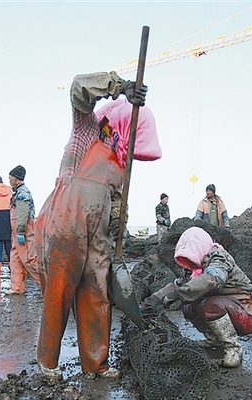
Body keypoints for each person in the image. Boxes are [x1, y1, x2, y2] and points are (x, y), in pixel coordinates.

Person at [35, 71, 161, 379]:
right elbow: (79, 86)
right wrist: (121, 87)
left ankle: (96, 363)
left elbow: (116, 206)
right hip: (67, 219)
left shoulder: (121, 163)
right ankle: (47, 362)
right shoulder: (87, 129)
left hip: (99, 232)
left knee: (97, 292)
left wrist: (119, 229)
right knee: (60, 288)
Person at [147, 227, 252, 368]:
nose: (189, 261)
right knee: (188, 306)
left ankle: (233, 348)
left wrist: (178, 294)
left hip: (247, 312)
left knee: (209, 305)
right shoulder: (196, 267)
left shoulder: (219, 258)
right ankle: (214, 339)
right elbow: (178, 285)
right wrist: (154, 299)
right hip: (229, 308)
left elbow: (213, 279)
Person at [7, 165, 40, 294]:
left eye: (10, 178)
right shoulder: (18, 192)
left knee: (29, 259)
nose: (9, 181)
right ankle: (17, 287)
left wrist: (20, 231)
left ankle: (49, 285)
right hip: (17, 229)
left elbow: (22, 213)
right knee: (15, 258)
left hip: (24, 228)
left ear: (16, 179)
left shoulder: (23, 193)